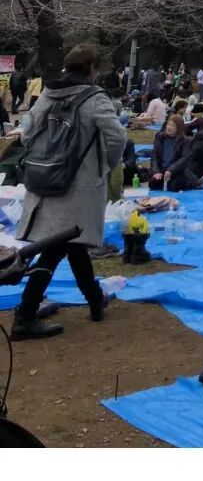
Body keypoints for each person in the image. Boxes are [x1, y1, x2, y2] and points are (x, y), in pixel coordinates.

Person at [13, 43, 127, 340]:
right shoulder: (95, 97)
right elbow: (117, 137)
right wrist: (104, 167)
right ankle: (25, 315)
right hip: (78, 187)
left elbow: (26, 131)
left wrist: (44, 155)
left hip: (45, 180)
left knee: (72, 244)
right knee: (56, 248)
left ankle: (95, 300)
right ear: (93, 69)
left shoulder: (49, 92)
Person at [149, 114, 188, 188]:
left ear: (178, 128)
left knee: (175, 186)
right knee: (153, 183)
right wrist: (156, 172)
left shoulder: (185, 140)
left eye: (172, 126)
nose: (169, 127)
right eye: (168, 125)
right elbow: (154, 156)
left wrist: (171, 170)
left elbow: (184, 159)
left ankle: (192, 181)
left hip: (176, 171)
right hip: (162, 169)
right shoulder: (159, 137)